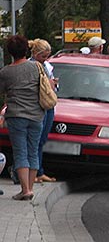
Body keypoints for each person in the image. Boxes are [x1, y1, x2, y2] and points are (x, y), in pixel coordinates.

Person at [0, 35, 45, 200]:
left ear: (10, 52)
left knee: (20, 152)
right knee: (33, 151)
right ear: (26, 49)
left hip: (16, 116)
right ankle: (30, 188)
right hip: (36, 115)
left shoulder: (5, 72)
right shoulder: (36, 67)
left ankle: (25, 190)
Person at [29, 39, 58, 183]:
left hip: (48, 105)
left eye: (47, 56)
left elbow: (52, 86)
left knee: (42, 140)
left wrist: (53, 85)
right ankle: (33, 172)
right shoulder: (30, 66)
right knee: (35, 140)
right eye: (43, 56)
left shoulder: (47, 66)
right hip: (37, 105)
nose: (45, 59)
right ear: (34, 54)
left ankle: (39, 171)